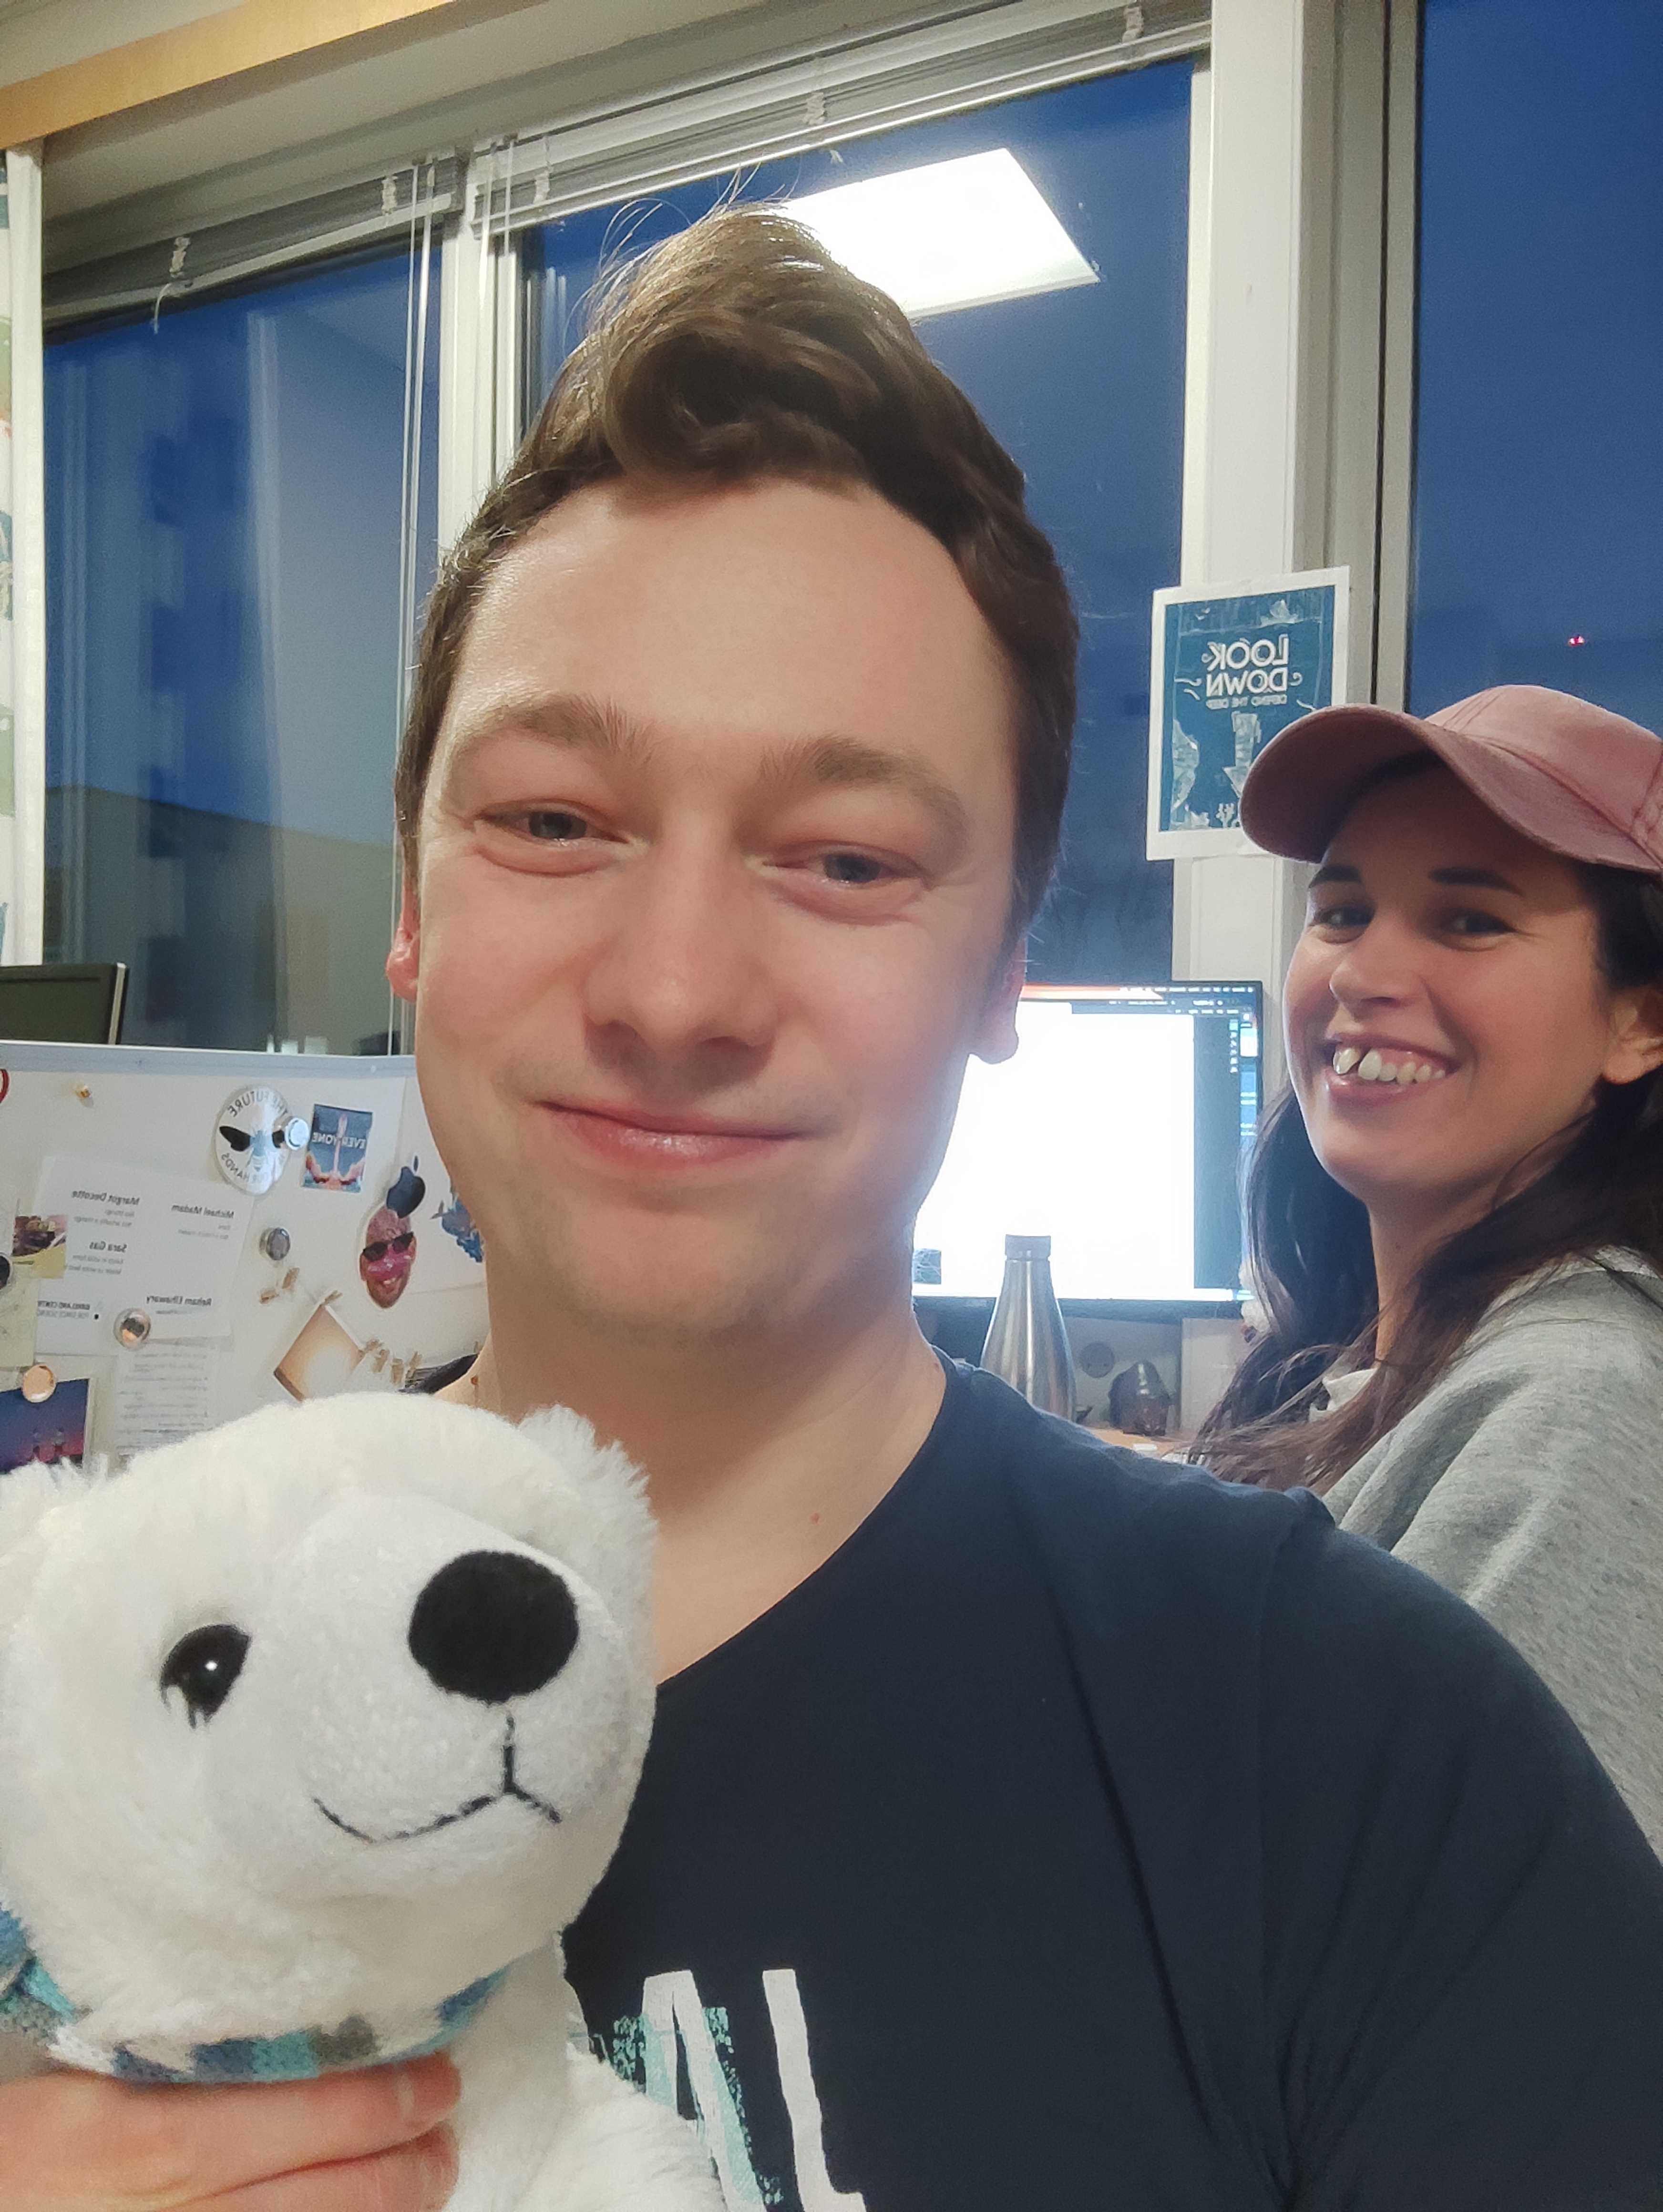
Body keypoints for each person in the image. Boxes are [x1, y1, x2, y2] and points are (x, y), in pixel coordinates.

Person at [9, 213, 1663, 2212]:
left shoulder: (1354, 1759)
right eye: (553, 821)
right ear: (414, 908)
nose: (673, 991)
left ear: (1001, 976)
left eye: (848, 860)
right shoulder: (75, 1708)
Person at [1198, 683, 1663, 1847]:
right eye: (1343, 911)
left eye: (1468, 922)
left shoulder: (1575, 1410)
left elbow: (1503, 1937)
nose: (1362, 972)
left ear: (1640, 1023)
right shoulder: (1372, 1361)